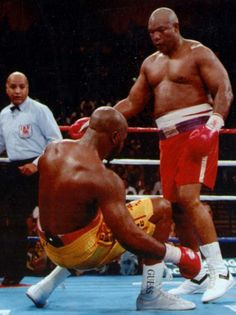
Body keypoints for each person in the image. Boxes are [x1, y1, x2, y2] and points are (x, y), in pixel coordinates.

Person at [114, 7, 234, 303]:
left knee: (190, 198)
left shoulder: (198, 53)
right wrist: (100, 119)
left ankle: (221, 272)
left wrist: (214, 126)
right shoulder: (150, 64)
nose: (155, 37)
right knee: (177, 207)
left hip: (196, 133)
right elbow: (132, 102)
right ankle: (197, 275)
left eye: (161, 31)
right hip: (167, 139)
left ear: (176, 26)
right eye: (151, 33)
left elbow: (224, 89)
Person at [26, 106, 201, 311]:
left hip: (47, 245)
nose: (122, 145)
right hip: (82, 253)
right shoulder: (105, 180)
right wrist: (178, 255)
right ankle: (151, 295)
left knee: (91, 211)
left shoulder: (52, 149)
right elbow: (130, 239)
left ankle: (45, 286)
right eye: (124, 139)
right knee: (160, 208)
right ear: (116, 136)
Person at [0, 71, 62, 286]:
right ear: (6, 88)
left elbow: (56, 141)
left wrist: (36, 164)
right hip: (14, 171)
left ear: (27, 88)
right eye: (13, 87)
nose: (17, 91)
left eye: (21, 87)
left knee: (52, 222)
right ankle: (12, 276)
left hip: (41, 169)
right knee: (12, 222)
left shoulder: (39, 110)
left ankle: (62, 272)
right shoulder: (3, 115)